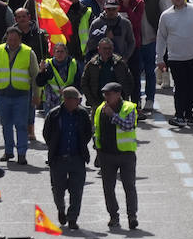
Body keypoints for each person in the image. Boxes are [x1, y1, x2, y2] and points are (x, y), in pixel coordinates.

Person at [0, 26, 40, 165]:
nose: (12, 42)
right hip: (3, 95)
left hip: (21, 96)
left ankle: (21, 154)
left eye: (15, 39)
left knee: (21, 125)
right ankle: (8, 151)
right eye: (10, 39)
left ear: (20, 39)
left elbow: (36, 76)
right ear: (6, 38)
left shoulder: (28, 52)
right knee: (6, 125)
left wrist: (37, 95)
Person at [155, 0, 193, 126]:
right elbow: (161, 38)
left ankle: (188, 113)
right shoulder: (166, 16)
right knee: (180, 87)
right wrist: (159, 58)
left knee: (192, 87)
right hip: (175, 58)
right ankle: (179, 114)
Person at [42, 86, 92, 231]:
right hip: (58, 159)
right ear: (67, 100)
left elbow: (87, 132)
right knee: (58, 190)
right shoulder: (54, 114)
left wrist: (81, 146)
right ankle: (61, 209)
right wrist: (54, 147)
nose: (78, 102)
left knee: (77, 191)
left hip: (77, 159)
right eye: (76, 100)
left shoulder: (82, 114)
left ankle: (72, 218)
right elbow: (47, 134)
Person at [93, 81, 138, 230]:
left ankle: (132, 216)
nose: (106, 97)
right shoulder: (100, 109)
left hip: (126, 155)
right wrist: (98, 151)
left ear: (118, 94)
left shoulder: (129, 108)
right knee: (108, 188)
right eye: (105, 94)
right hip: (107, 155)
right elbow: (96, 131)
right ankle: (114, 216)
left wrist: (113, 115)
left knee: (129, 186)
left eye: (109, 94)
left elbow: (128, 126)